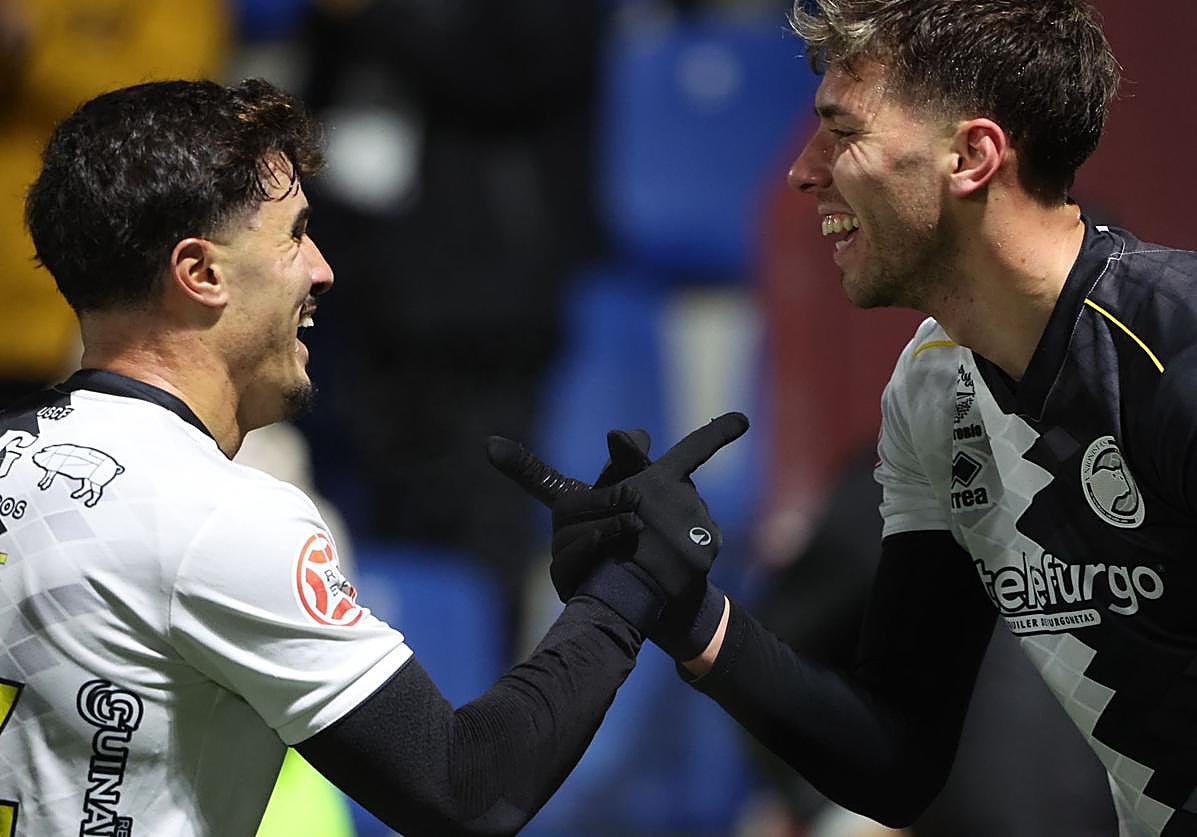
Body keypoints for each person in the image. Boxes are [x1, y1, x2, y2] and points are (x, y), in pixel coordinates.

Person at [494, 1, 1197, 835]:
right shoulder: (931, 392)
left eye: (843, 132)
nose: (800, 169)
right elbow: (894, 759)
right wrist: (687, 613)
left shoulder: (1174, 351)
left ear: (972, 156)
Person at [0, 77, 746, 835]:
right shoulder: (218, 515)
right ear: (201, 273)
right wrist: (625, 586)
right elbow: (466, 791)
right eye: (293, 234)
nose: (321, 268)